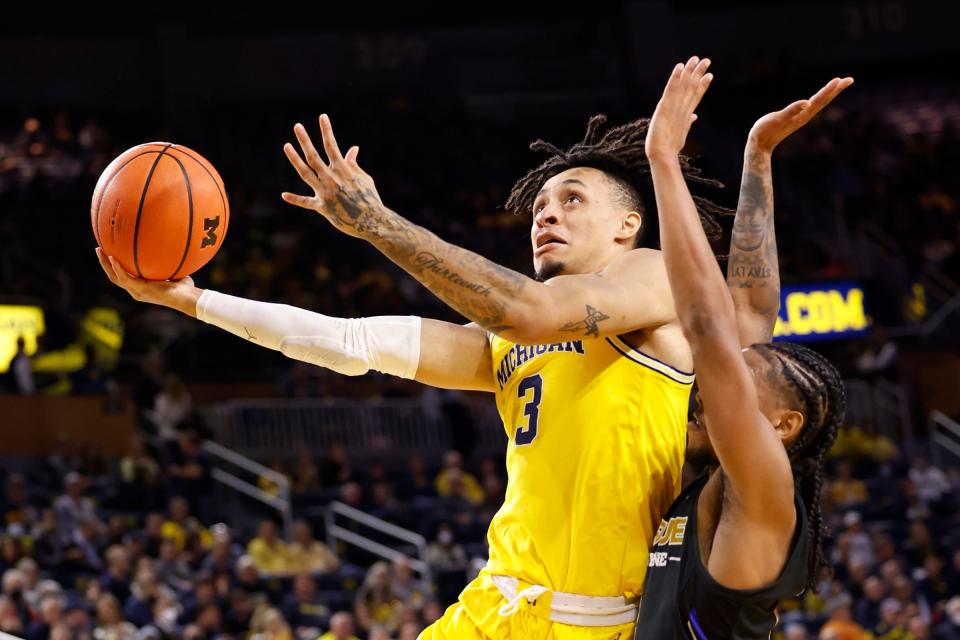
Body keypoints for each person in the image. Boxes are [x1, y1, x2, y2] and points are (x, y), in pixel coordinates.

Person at [97, 78, 755, 637]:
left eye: (571, 198)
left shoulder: (656, 277)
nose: (544, 215)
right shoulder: (510, 339)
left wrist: (378, 223)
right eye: (540, 205)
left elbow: (529, 308)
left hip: (603, 620)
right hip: (498, 608)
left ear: (626, 225)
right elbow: (352, 345)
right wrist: (194, 301)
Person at [634, 57, 851, 638]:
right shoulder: (729, 482)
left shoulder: (764, 488)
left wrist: (664, 161)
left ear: (782, 426)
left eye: (738, 371)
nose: (712, 381)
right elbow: (749, 309)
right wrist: (758, 155)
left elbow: (708, 326)